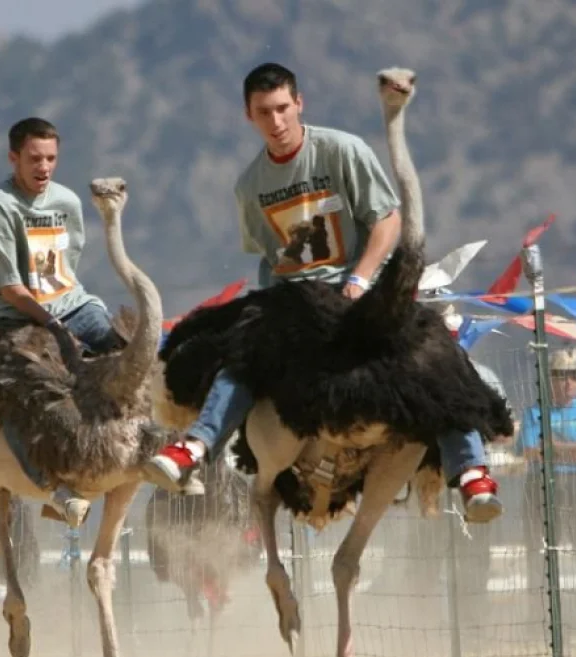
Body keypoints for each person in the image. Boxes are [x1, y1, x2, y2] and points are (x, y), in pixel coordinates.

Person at [143, 62, 503, 520]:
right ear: (248, 116)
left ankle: (471, 472)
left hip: (355, 288)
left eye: (281, 109)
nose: (275, 122)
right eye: (263, 112)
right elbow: (269, 254)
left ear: (299, 104)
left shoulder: (341, 150)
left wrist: (359, 278)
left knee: (429, 348)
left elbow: (387, 219)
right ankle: (194, 447)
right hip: (296, 299)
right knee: (243, 352)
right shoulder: (249, 186)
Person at [0, 117, 128, 525]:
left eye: (51, 158)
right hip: (15, 316)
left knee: (135, 360)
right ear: (14, 158)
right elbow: (10, 288)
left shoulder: (68, 203)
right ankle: (50, 486)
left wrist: (67, 316)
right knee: (21, 388)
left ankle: (135, 456)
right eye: (34, 158)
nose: (44, 167)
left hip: (73, 303)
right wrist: (54, 327)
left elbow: (67, 266)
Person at [516, 346, 576, 634]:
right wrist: (571, 451)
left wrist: (554, 447)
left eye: (573, 376)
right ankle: (540, 625)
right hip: (543, 488)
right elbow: (532, 451)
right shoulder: (534, 412)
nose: (567, 382)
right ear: (550, 379)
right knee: (539, 555)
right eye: (560, 376)